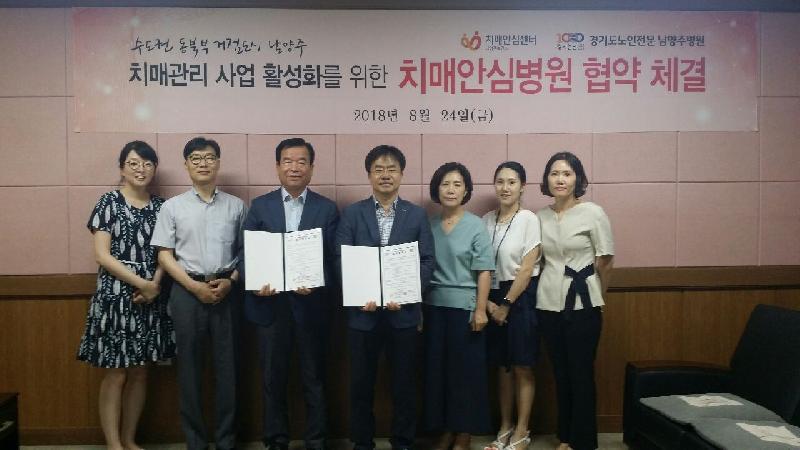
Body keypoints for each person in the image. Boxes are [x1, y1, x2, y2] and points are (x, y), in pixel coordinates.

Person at [77, 140, 176, 450]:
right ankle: (113, 444)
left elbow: (166, 253)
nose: (140, 169)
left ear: (154, 169)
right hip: (115, 297)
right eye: (133, 163)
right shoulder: (108, 202)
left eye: (147, 163)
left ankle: (130, 439)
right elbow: (102, 255)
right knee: (116, 373)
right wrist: (141, 283)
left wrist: (154, 285)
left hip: (151, 296)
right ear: (122, 168)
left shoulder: (162, 207)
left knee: (141, 372)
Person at [335, 145, 435, 450]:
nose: (385, 175)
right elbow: (340, 259)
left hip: (403, 314)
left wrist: (406, 294)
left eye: (392, 169)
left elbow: (427, 261)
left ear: (402, 174)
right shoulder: (353, 214)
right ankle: (362, 442)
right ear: (369, 175)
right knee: (360, 384)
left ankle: (402, 442)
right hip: (362, 315)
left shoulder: (416, 215)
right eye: (378, 169)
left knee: (404, 384)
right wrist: (358, 294)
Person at [241, 137, 339, 450]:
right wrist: (256, 282)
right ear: (277, 166)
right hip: (271, 307)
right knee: (273, 378)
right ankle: (276, 441)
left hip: (312, 307)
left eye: (301, 161)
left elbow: (334, 258)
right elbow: (246, 253)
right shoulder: (261, 206)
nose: (294, 167)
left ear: (311, 167)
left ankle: (316, 441)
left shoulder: (326, 208)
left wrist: (318, 281)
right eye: (287, 161)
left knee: (314, 378)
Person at [151, 137, 247, 450]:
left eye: (209, 157)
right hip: (185, 292)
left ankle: (226, 441)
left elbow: (245, 252)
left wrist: (231, 281)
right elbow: (164, 255)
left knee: (228, 370)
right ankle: (195, 441)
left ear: (218, 163)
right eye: (195, 158)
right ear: (186, 165)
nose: (203, 163)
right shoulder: (172, 207)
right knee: (189, 371)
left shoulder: (236, 206)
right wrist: (193, 287)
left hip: (226, 292)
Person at [535, 152, 614, 450]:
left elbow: (605, 260)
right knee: (560, 373)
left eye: (567, 174)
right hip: (547, 303)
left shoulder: (593, 212)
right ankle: (565, 436)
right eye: (554, 173)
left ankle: (583, 441)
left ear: (577, 179)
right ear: (547, 179)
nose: (560, 179)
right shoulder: (540, 216)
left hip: (584, 303)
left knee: (581, 373)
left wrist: (599, 296)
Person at [424, 162, 495, 450]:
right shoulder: (428, 225)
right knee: (436, 373)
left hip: (465, 310)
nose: (451, 190)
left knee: (464, 375)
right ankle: (445, 430)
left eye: (457, 184)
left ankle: (463, 432)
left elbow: (485, 271)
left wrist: (480, 309)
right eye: (445, 184)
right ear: (436, 189)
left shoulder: (475, 225)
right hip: (432, 308)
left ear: (466, 190)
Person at [482, 162, 541, 450]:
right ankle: (505, 426)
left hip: (520, 296)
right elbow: (478, 264)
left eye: (512, 182)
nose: (505, 188)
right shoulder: (485, 220)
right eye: (500, 181)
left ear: (522, 186)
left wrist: (506, 304)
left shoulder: (528, 219)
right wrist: (487, 303)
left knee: (521, 365)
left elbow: (527, 268)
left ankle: (522, 430)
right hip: (491, 295)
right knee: (502, 367)